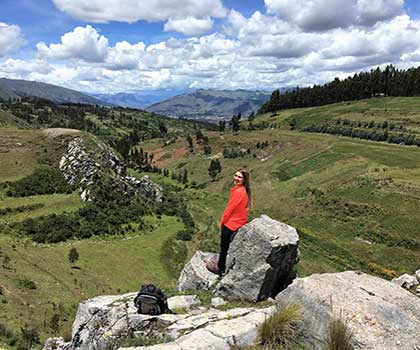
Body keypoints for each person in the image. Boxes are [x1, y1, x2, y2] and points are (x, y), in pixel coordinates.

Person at [213, 169, 252, 276]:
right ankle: (223, 266)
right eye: (235, 175)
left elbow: (229, 210)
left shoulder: (238, 192)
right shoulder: (243, 191)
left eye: (239, 177)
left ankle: (220, 269)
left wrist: (222, 223)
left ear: (244, 180)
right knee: (226, 247)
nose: (236, 178)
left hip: (231, 224)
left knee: (224, 247)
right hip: (238, 223)